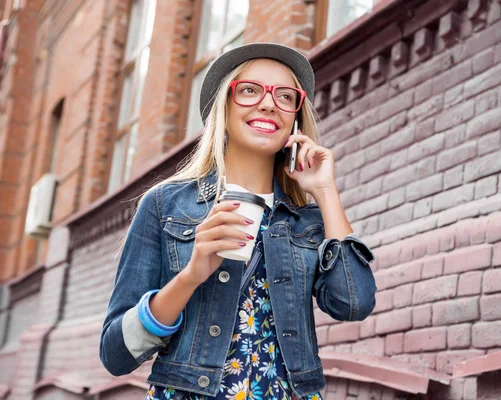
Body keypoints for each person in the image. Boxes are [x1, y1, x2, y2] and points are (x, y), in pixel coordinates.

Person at [99, 42, 377, 400]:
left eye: (285, 96)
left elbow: (355, 303)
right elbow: (115, 354)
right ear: (224, 106)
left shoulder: (305, 220)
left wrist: (325, 193)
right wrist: (190, 276)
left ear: (295, 116)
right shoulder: (165, 205)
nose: (267, 103)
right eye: (249, 90)